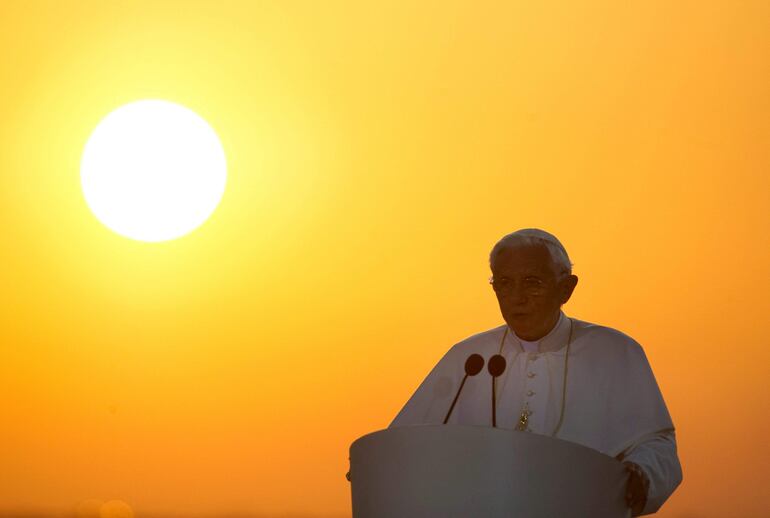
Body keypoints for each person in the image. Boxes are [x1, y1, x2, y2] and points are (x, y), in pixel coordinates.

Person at [390, 228, 682, 516]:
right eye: (504, 283)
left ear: (566, 289)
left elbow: (656, 444)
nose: (517, 297)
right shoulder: (468, 358)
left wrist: (643, 473)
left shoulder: (615, 351)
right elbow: (403, 445)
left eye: (532, 282)